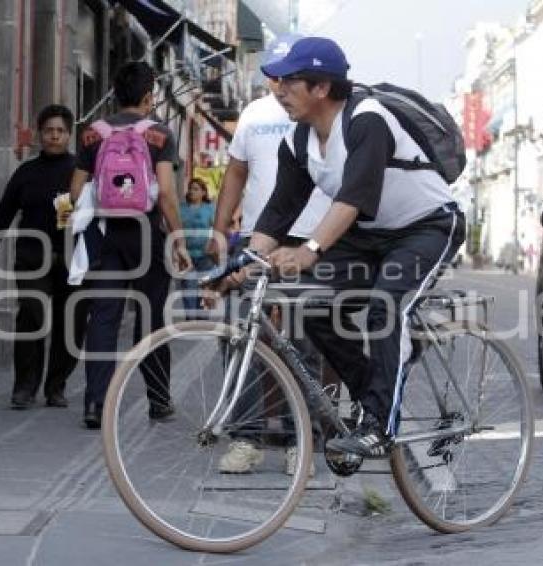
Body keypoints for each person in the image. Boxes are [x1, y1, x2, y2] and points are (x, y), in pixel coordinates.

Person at [218, 37, 465, 458]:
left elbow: (353, 197)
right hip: (370, 235)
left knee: (386, 306)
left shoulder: (368, 120)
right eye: (276, 82)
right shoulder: (299, 140)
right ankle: (372, 394)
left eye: (289, 82)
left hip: (427, 227)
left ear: (321, 87)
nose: (278, 91)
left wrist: (309, 250)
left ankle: (380, 427)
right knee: (310, 302)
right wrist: (245, 260)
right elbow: (279, 212)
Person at [210, 34, 332, 474]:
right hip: (259, 238)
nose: (279, 82)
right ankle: (247, 437)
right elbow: (236, 171)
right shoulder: (254, 113)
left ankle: (305, 439)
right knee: (242, 336)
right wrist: (220, 229)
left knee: (303, 341)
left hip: (308, 242)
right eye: (273, 73)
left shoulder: (318, 113)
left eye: (287, 72)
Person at [69, 61, 191, 429]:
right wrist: (179, 241)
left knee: (104, 317)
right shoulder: (159, 134)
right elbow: (167, 194)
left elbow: (77, 190)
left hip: (107, 234)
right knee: (151, 317)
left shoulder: (93, 133)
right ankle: (158, 400)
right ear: (149, 95)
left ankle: (95, 404)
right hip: (146, 233)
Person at [0, 104, 88, 410]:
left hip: (71, 260)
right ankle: (25, 386)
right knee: (31, 317)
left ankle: (56, 387)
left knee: (71, 324)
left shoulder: (79, 172)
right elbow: (4, 213)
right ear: (40, 134)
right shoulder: (26, 172)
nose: (54, 136)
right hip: (32, 258)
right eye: (49, 131)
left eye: (60, 131)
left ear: (69, 135)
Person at [179, 178, 215, 314]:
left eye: (196, 189)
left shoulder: (210, 208)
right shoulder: (181, 208)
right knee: (189, 291)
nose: (192, 191)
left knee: (204, 291)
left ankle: (202, 323)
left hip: (206, 257)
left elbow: (217, 228)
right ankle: (190, 323)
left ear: (203, 193)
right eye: (190, 188)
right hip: (187, 257)